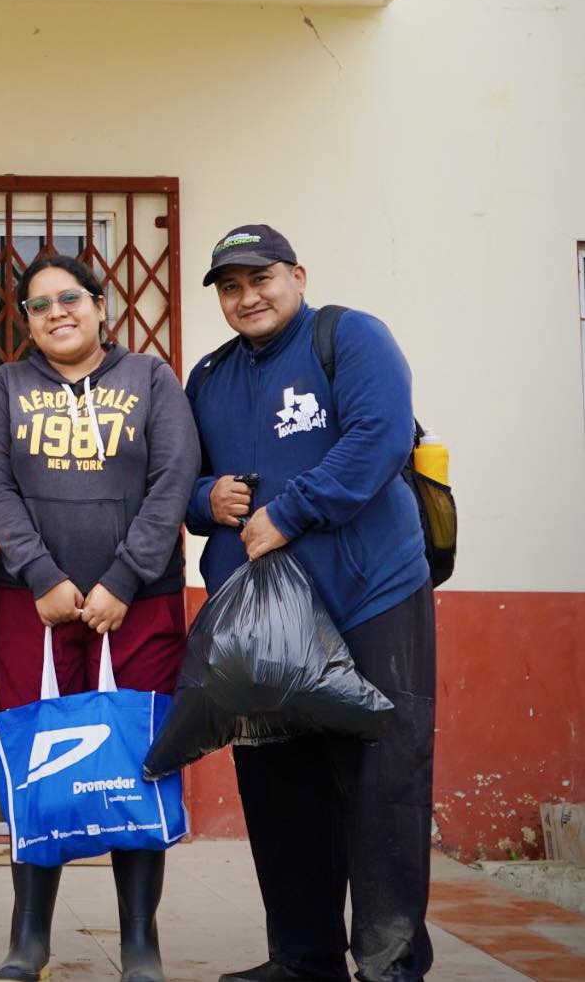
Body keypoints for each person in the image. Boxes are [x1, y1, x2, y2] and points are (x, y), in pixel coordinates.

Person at [185, 224, 435, 982]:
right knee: (278, 782)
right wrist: (207, 497)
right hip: (265, 620)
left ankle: (390, 962)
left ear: (297, 275)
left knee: (383, 778)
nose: (246, 297)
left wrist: (288, 512)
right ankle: (303, 957)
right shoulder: (208, 376)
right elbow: (181, 481)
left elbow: (379, 437)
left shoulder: (349, 337)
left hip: (369, 593)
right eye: (230, 287)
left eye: (260, 278)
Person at [0, 254, 200, 982]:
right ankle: (28, 940)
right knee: (38, 758)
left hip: (138, 602)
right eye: (38, 305)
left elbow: (173, 481)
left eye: (69, 298)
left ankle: (139, 942)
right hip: (34, 605)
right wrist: (41, 575)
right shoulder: (6, 386)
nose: (56, 313)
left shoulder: (152, 379)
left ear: (101, 306)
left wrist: (123, 578)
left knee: (138, 759)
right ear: (27, 321)